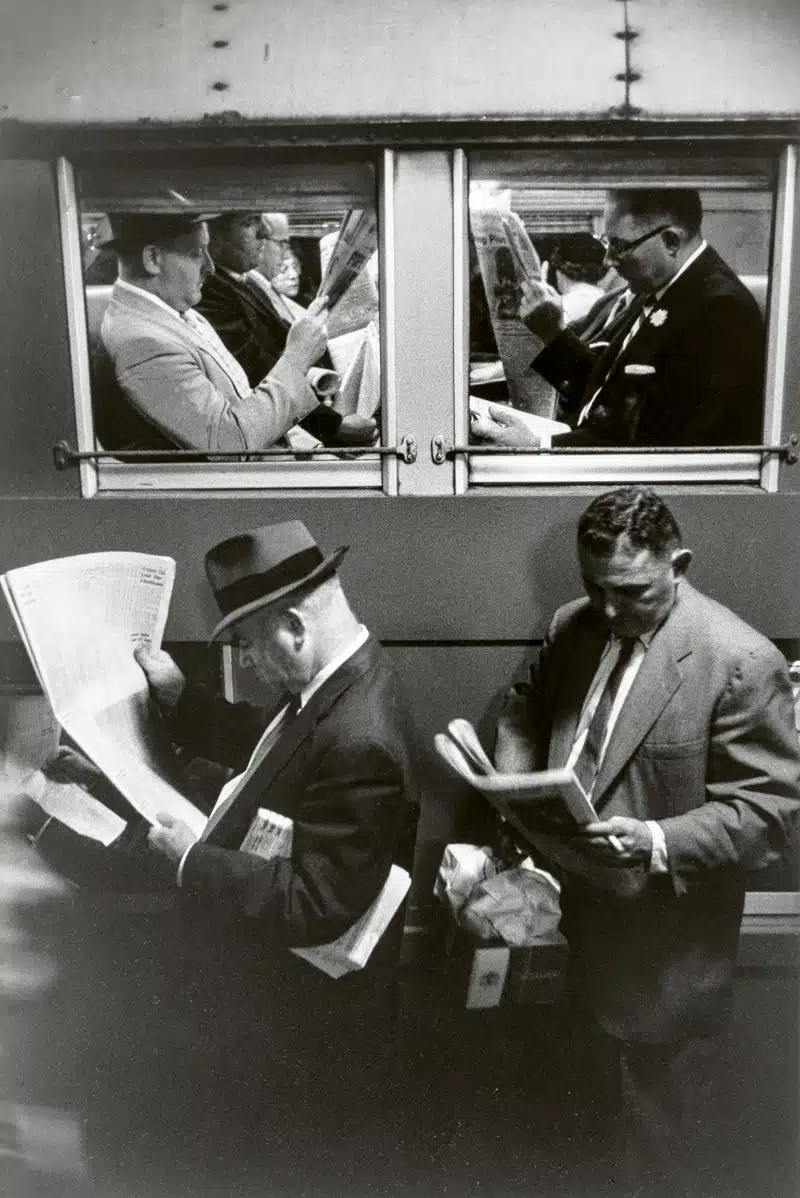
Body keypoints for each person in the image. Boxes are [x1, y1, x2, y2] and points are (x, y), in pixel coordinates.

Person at [16, 520, 420, 1193]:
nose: (251, 665)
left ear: (294, 624)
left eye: (251, 647)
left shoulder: (361, 740)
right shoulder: (343, 681)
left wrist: (187, 860)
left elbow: (316, 902)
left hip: (301, 1030)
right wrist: (177, 702)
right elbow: (272, 758)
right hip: (284, 1010)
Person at [494, 487, 800, 1197]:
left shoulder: (739, 661)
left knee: (654, 1171)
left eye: (628, 592)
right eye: (592, 588)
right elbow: (523, 705)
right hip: (566, 947)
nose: (607, 611)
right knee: (571, 1158)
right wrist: (513, 795)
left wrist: (658, 839)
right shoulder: (575, 625)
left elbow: (773, 813)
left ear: (679, 565)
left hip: (661, 978)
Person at [472, 189, 765, 449]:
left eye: (621, 246)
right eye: (606, 243)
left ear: (672, 241)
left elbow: (659, 445)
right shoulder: (659, 288)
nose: (607, 261)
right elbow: (606, 397)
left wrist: (541, 445)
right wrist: (552, 335)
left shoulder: (720, 311)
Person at [96, 210, 331, 453]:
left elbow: (241, 399)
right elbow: (231, 443)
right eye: (197, 253)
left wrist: (312, 447)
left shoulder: (172, 311)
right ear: (153, 259)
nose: (210, 267)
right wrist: (296, 359)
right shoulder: (143, 344)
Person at [197, 211, 376, 446]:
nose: (266, 231)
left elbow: (279, 346)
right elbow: (258, 369)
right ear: (211, 233)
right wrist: (332, 427)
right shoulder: (209, 291)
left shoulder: (246, 283)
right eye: (250, 221)